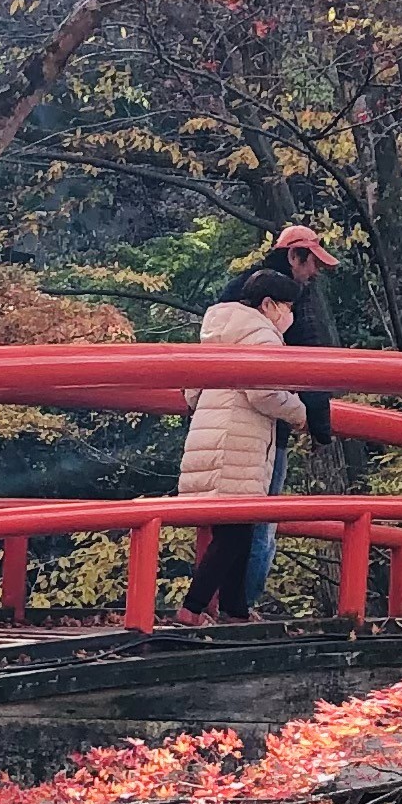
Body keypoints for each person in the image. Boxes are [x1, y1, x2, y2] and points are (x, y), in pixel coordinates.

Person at [178, 262, 307, 618]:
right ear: (268, 305)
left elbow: (191, 390)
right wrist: (302, 414)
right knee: (235, 534)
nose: (289, 315)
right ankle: (192, 607)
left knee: (238, 529)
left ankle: (234, 608)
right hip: (240, 440)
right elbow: (264, 393)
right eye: (287, 307)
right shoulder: (262, 335)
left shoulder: (218, 330)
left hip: (212, 435)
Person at [244, 221, 341, 610]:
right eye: (310, 262)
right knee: (262, 519)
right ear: (293, 256)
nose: (314, 272)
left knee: (224, 519)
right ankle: (241, 606)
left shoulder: (232, 298)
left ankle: (213, 605)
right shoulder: (286, 300)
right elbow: (310, 365)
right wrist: (317, 426)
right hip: (267, 430)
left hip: (224, 424)